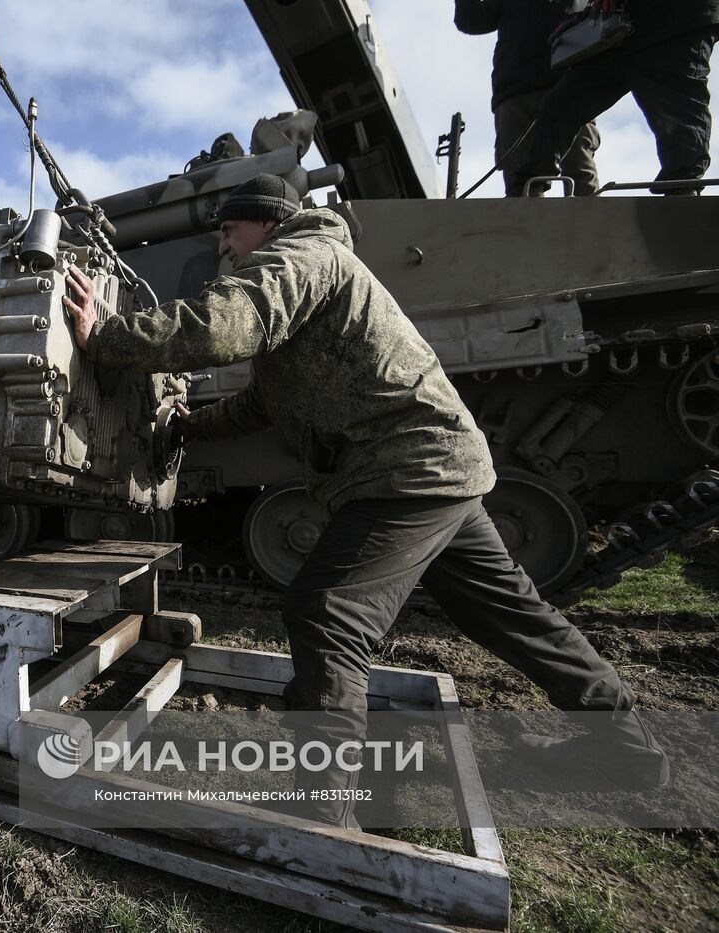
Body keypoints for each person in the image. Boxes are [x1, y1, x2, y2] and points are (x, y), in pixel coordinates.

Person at [63, 174, 669, 826]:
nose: (222, 245)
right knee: (510, 615)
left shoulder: (301, 256)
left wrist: (106, 337)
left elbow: (223, 327)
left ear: (266, 222)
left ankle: (324, 819)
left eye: (229, 230)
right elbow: (264, 403)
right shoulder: (315, 270)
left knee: (326, 614)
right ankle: (630, 751)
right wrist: (188, 426)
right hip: (441, 468)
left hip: (408, 471)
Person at [521, 0, 719, 194]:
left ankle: (681, 195)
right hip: (618, 27)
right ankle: (530, 187)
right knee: (561, 105)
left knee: (680, 114)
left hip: (675, 23)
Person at [454, 0, 601, 196]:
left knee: (580, 178)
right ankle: (523, 226)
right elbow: (471, 20)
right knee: (520, 187)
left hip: (569, 89)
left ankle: (590, 224)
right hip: (515, 94)